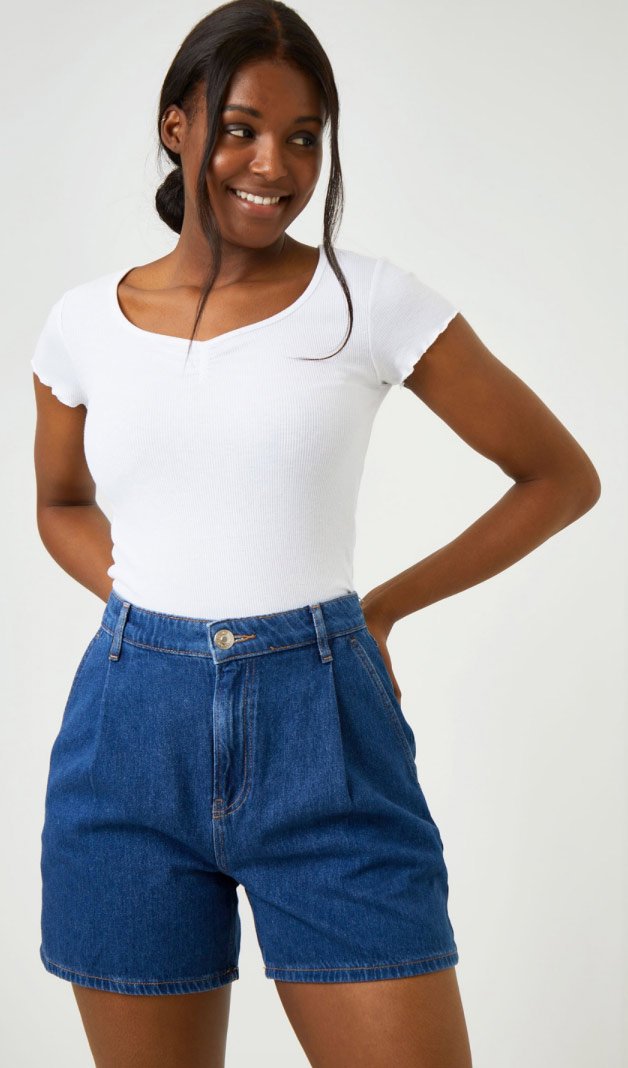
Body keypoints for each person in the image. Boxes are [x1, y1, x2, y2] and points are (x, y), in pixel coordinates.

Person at [30, 2, 601, 1066]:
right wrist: (146, 606)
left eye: (303, 137)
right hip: (125, 743)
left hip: (326, 732)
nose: (273, 164)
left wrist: (380, 609)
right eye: (240, 127)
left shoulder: (369, 302)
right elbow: (58, 504)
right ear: (176, 126)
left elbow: (558, 478)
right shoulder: (82, 323)